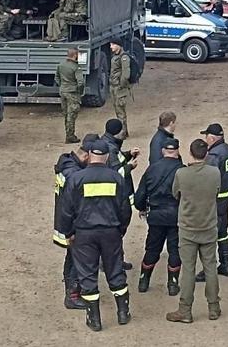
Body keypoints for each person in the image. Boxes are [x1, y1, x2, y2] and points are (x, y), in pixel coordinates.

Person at [59, 139, 132, 332]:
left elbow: (66, 210)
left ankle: (95, 319)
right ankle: (123, 313)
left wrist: (69, 233)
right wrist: (120, 230)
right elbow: (125, 209)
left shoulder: (77, 178)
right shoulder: (117, 177)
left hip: (84, 234)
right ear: (107, 156)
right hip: (111, 232)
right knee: (115, 270)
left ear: (90, 155)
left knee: (87, 274)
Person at [166, 139, 222, 324]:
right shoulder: (214, 173)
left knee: (188, 270)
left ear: (190, 153)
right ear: (206, 153)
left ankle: (185, 310)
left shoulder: (182, 174)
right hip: (208, 227)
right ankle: (213, 307)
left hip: (188, 229)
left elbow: (175, 194)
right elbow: (216, 192)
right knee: (211, 268)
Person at [53, 133, 99, 310]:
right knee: (77, 260)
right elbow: (73, 205)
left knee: (72, 258)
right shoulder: (74, 174)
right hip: (72, 225)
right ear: (87, 155)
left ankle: (71, 291)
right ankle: (72, 296)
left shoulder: (66, 165)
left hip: (65, 223)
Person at [135, 138, 185, 296]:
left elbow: (140, 196)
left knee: (152, 249)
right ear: (177, 151)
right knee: (175, 250)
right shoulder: (183, 171)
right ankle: (173, 284)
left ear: (163, 151)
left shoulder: (152, 169)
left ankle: (144, 280)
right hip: (177, 216)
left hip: (156, 216)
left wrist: (142, 208)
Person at [195, 123, 228, 281]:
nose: (205, 139)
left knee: (208, 235)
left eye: (206, 136)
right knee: (222, 231)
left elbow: (206, 179)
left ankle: (208, 271)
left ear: (212, 137)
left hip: (215, 200)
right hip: (227, 198)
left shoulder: (214, 155)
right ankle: (226, 264)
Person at [102, 118, 139, 271]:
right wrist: (130, 167)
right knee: (117, 231)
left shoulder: (109, 144)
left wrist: (128, 154)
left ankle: (116, 259)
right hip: (118, 198)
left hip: (119, 196)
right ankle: (110, 262)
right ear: (117, 133)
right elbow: (116, 173)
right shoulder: (110, 149)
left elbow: (118, 160)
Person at [55, 48, 84, 144]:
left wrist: (62, 86)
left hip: (63, 91)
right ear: (75, 55)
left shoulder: (60, 65)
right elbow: (80, 82)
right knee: (72, 115)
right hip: (72, 93)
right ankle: (70, 136)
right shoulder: (76, 67)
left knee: (66, 114)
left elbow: (57, 78)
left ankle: (68, 133)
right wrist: (80, 91)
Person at [109, 38, 131, 138]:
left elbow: (126, 74)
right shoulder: (115, 56)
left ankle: (123, 132)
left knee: (121, 110)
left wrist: (121, 85)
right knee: (117, 109)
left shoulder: (124, 57)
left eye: (113, 44)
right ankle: (124, 131)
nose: (111, 47)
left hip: (119, 87)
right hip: (114, 86)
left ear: (118, 45)